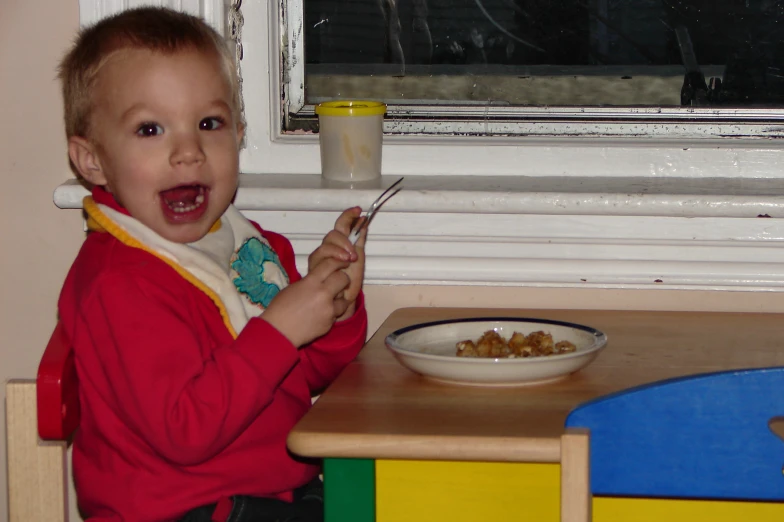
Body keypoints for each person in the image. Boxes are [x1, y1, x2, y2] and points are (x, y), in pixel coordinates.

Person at [56, 6, 368, 521]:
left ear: (239, 133)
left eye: (208, 123)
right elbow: (184, 431)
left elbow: (312, 371)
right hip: (181, 509)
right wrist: (279, 328)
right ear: (92, 160)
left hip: (276, 490)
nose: (188, 151)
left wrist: (333, 305)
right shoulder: (120, 284)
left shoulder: (246, 247)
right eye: (150, 129)